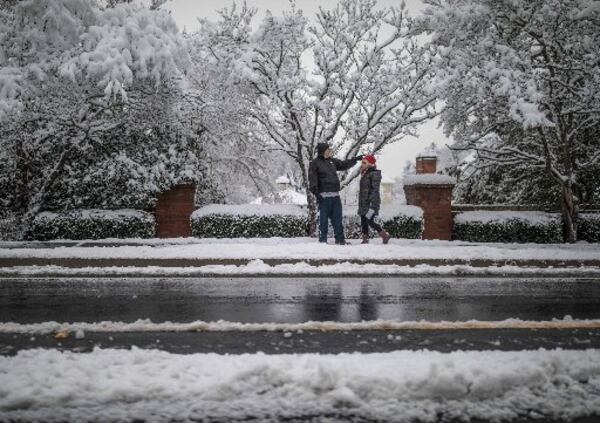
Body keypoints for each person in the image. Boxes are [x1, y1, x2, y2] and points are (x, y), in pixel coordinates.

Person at [309, 143, 362, 244]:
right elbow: (312, 180)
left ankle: (340, 240)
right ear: (322, 151)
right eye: (328, 150)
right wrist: (317, 194)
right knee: (323, 222)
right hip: (323, 198)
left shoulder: (332, 161)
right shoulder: (315, 163)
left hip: (335, 197)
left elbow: (344, 164)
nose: (330, 151)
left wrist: (355, 159)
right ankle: (322, 241)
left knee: (338, 220)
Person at [358, 154, 390, 244]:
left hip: (371, 203)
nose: (362, 164)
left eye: (364, 162)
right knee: (363, 220)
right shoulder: (365, 173)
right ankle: (365, 239)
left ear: (371, 164)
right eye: (362, 162)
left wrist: (372, 202)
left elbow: (375, 190)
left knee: (369, 220)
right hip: (363, 202)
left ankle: (385, 235)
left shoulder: (374, 174)